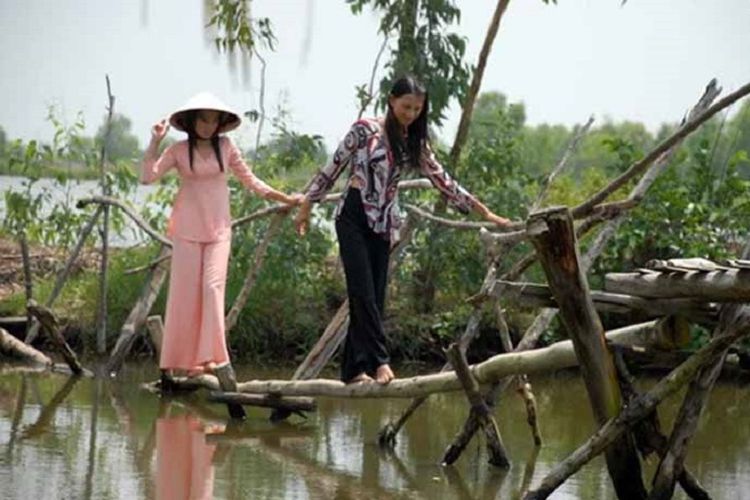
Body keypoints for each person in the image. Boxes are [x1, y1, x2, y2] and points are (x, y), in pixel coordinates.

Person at [294, 76, 510, 385]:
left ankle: (353, 371)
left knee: (374, 296)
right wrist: (307, 204)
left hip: (382, 224)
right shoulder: (364, 129)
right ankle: (380, 362)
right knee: (363, 292)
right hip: (352, 217)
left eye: (417, 109)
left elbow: (442, 180)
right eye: (406, 106)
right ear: (391, 101)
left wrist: (484, 212)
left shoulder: (414, 142)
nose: (410, 113)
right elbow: (334, 166)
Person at [141, 92, 301, 415]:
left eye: (214, 120)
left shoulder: (226, 149)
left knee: (212, 288)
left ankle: (214, 357)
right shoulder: (178, 150)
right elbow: (147, 177)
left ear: (219, 124)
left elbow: (251, 181)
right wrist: (155, 142)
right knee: (185, 295)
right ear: (190, 121)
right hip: (186, 231)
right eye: (203, 119)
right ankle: (187, 363)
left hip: (217, 232)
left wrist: (286, 199)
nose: (208, 125)